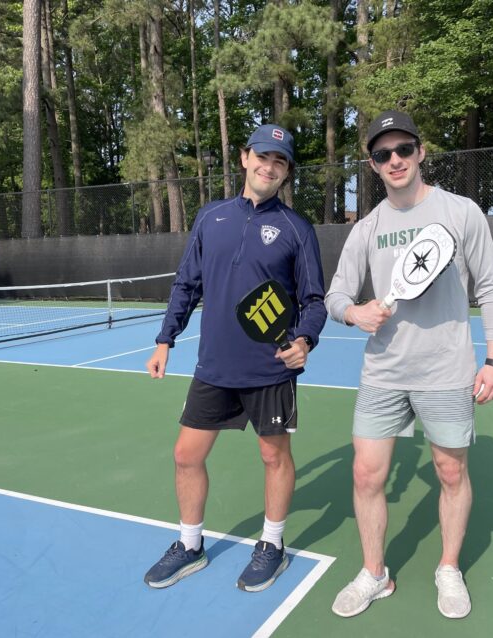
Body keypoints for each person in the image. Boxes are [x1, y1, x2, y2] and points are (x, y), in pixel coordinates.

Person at [325, 110, 493, 620]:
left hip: (446, 371)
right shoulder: (366, 228)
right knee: (366, 475)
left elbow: (491, 286)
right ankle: (374, 573)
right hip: (383, 371)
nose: (395, 160)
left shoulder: (461, 211)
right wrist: (353, 311)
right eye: (383, 154)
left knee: (450, 472)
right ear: (373, 164)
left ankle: (448, 567)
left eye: (404, 149)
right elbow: (335, 295)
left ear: (421, 152)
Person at [143, 124, 327, 592]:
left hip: (270, 368)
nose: (270, 166)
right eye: (263, 156)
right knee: (186, 455)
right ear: (245, 158)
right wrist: (166, 339)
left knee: (273, 456)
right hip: (215, 366)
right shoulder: (211, 218)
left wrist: (305, 338)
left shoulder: (296, 228)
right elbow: (187, 283)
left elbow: (314, 300)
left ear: (286, 173)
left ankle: (272, 544)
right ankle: (189, 546)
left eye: (280, 161)